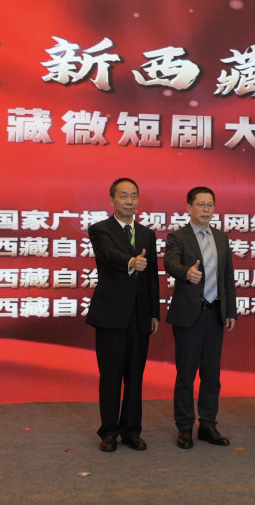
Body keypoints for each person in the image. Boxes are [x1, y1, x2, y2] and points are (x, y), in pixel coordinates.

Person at [86, 178, 160, 452]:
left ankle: (131, 431)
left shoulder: (147, 234)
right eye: (124, 196)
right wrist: (130, 262)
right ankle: (108, 431)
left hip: (140, 316)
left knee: (135, 377)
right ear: (112, 200)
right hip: (111, 315)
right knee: (110, 376)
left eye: (134, 196)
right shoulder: (99, 229)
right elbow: (107, 254)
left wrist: (154, 313)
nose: (130, 202)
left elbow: (152, 276)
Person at [164, 186, 236, 449]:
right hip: (188, 316)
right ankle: (184, 427)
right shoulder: (177, 237)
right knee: (186, 374)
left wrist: (230, 312)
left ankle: (208, 425)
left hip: (215, 313)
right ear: (189, 207)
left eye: (210, 205)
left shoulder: (221, 238)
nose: (206, 209)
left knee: (212, 374)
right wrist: (186, 273)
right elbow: (170, 263)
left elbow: (227, 276)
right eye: (201, 204)